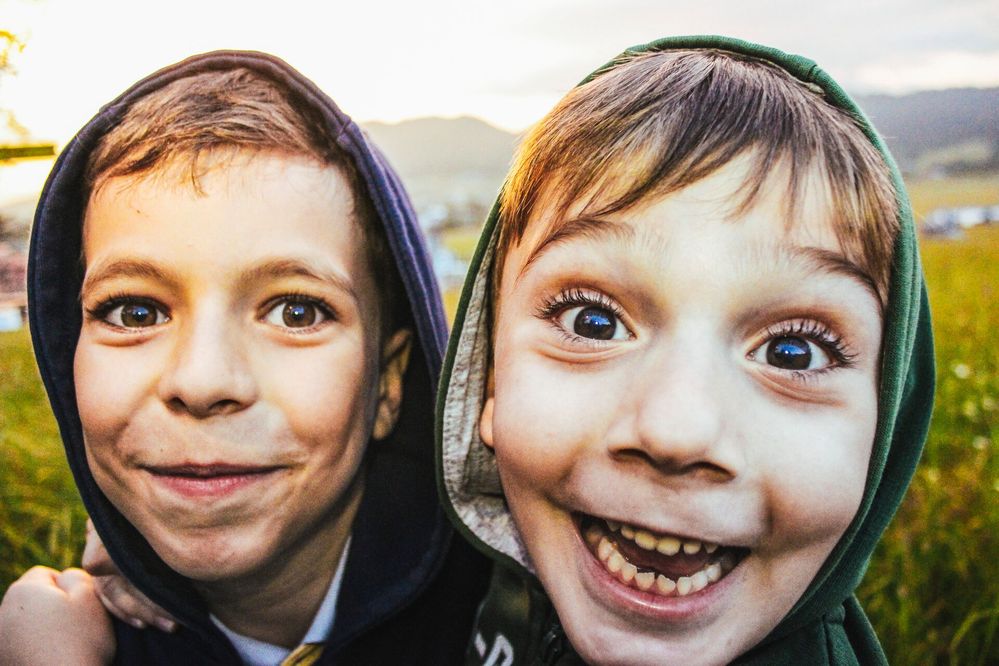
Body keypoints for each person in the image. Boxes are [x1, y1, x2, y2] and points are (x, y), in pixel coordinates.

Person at [437, 36, 935, 664]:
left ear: (884, 435)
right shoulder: (469, 605)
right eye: (592, 322)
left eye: (792, 353)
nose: (676, 431)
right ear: (487, 381)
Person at [0, 50, 488, 664]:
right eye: (136, 312)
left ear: (389, 386)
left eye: (296, 312)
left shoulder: (520, 612)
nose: (202, 380)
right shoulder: (66, 640)